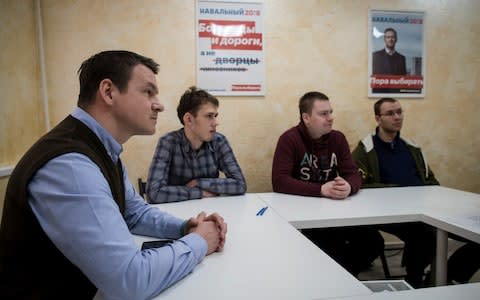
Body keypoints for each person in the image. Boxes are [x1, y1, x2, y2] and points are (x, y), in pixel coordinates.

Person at [0, 50, 227, 300]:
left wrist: (185, 227)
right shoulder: (70, 165)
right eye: (148, 92)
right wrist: (199, 241)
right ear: (108, 92)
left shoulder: (101, 149)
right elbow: (130, 281)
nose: (160, 104)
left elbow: (134, 212)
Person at [272, 91, 384, 277]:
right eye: (324, 114)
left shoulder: (337, 139)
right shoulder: (289, 139)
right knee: (332, 250)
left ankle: (344, 279)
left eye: (331, 112)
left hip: (335, 213)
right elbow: (280, 181)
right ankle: (338, 281)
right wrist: (321, 190)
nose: (331, 118)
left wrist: (349, 186)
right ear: (306, 117)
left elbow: (353, 174)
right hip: (303, 216)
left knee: (374, 243)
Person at [352, 97, 437, 288]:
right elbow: (358, 185)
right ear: (377, 118)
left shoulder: (412, 148)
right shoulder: (365, 150)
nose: (397, 117)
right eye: (390, 113)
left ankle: (431, 277)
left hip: (419, 209)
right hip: (385, 212)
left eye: (399, 112)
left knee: (434, 232)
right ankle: (414, 279)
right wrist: (395, 191)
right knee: (424, 234)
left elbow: (431, 181)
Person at [146, 86, 246, 203]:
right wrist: (199, 193)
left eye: (215, 116)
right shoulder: (168, 142)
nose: (215, 123)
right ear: (189, 119)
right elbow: (154, 193)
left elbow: (240, 184)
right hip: (177, 213)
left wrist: (199, 182)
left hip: (211, 210)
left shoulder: (219, 141)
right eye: (209, 116)